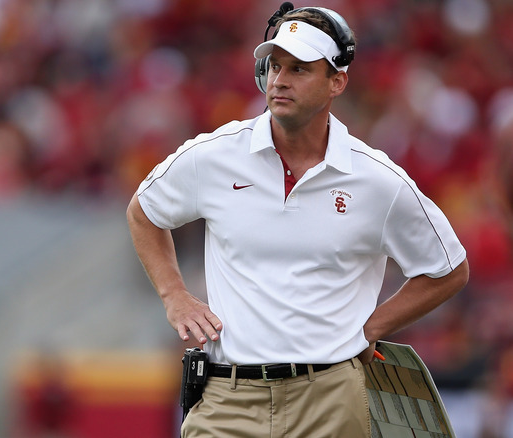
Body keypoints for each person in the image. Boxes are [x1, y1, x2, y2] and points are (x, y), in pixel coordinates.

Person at [126, 4, 470, 437]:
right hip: (226, 397)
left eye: (300, 69)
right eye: (274, 66)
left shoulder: (378, 180)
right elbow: (144, 212)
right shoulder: (215, 155)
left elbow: (448, 269)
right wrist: (174, 294)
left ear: (336, 81)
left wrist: (370, 329)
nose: (279, 80)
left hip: (330, 396)